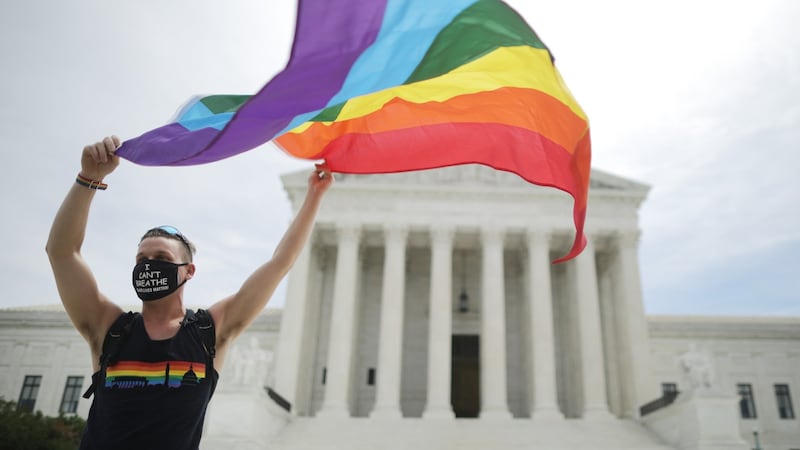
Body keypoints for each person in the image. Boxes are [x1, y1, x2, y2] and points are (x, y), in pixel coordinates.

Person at [46, 135, 332, 449]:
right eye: (142, 259)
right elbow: (62, 253)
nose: (149, 265)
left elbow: (280, 263)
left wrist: (314, 196)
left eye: (162, 259)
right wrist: (89, 179)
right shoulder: (109, 329)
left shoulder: (209, 332)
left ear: (188, 271)